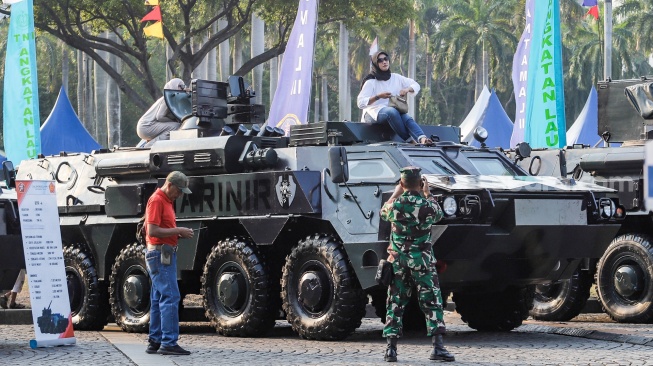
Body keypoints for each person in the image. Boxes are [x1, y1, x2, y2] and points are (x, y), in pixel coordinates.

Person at [380, 166, 454, 362]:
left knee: (395, 303)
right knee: (432, 301)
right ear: (420, 184)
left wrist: (396, 193)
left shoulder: (395, 206)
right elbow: (439, 215)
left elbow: (383, 211)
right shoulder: (428, 206)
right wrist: (428, 194)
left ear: (402, 183)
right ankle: (437, 348)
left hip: (398, 263)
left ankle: (391, 350)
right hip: (422, 261)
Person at [144, 171, 195, 356]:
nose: (180, 195)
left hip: (160, 253)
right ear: (170, 185)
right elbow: (152, 230)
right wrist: (178, 229)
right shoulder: (158, 200)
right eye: (179, 191)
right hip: (160, 254)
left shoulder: (165, 201)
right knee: (171, 297)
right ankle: (169, 342)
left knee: (158, 298)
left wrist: (176, 233)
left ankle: (155, 341)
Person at [357, 51, 433, 145]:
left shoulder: (396, 78)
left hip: (394, 112)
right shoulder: (371, 81)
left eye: (386, 59)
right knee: (392, 112)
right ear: (376, 64)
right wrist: (378, 96)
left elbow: (416, 85)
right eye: (380, 60)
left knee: (406, 117)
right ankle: (409, 140)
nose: (384, 62)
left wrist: (407, 89)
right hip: (372, 113)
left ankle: (422, 138)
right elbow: (360, 103)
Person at [137, 78, 187, 147]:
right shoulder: (167, 99)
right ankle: (149, 146)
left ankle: (148, 144)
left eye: (184, 86)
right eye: (181, 86)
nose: (183, 89)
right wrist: (174, 122)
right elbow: (160, 116)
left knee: (175, 125)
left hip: (149, 126)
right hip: (146, 126)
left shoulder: (173, 100)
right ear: (173, 86)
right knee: (176, 126)